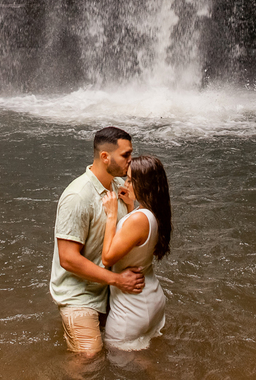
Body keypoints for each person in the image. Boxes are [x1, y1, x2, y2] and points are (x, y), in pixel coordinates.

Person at [50, 126, 146, 357]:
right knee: (90, 358)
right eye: (126, 155)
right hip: (79, 293)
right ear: (105, 157)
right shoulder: (78, 196)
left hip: (109, 289)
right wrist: (117, 280)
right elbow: (68, 259)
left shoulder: (119, 187)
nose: (131, 161)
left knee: (136, 351)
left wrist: (131, 206)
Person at [100, 154, 171, 351]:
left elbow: (107, 257)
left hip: (131, 308)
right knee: (141, 361)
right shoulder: (155, 212)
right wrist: (131, 206)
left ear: (145, 184)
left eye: (131, 180)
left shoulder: (138, 220)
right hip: (150, 298)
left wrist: (112, 214)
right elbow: (140, 242)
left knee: (118, 363)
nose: (125, 183)